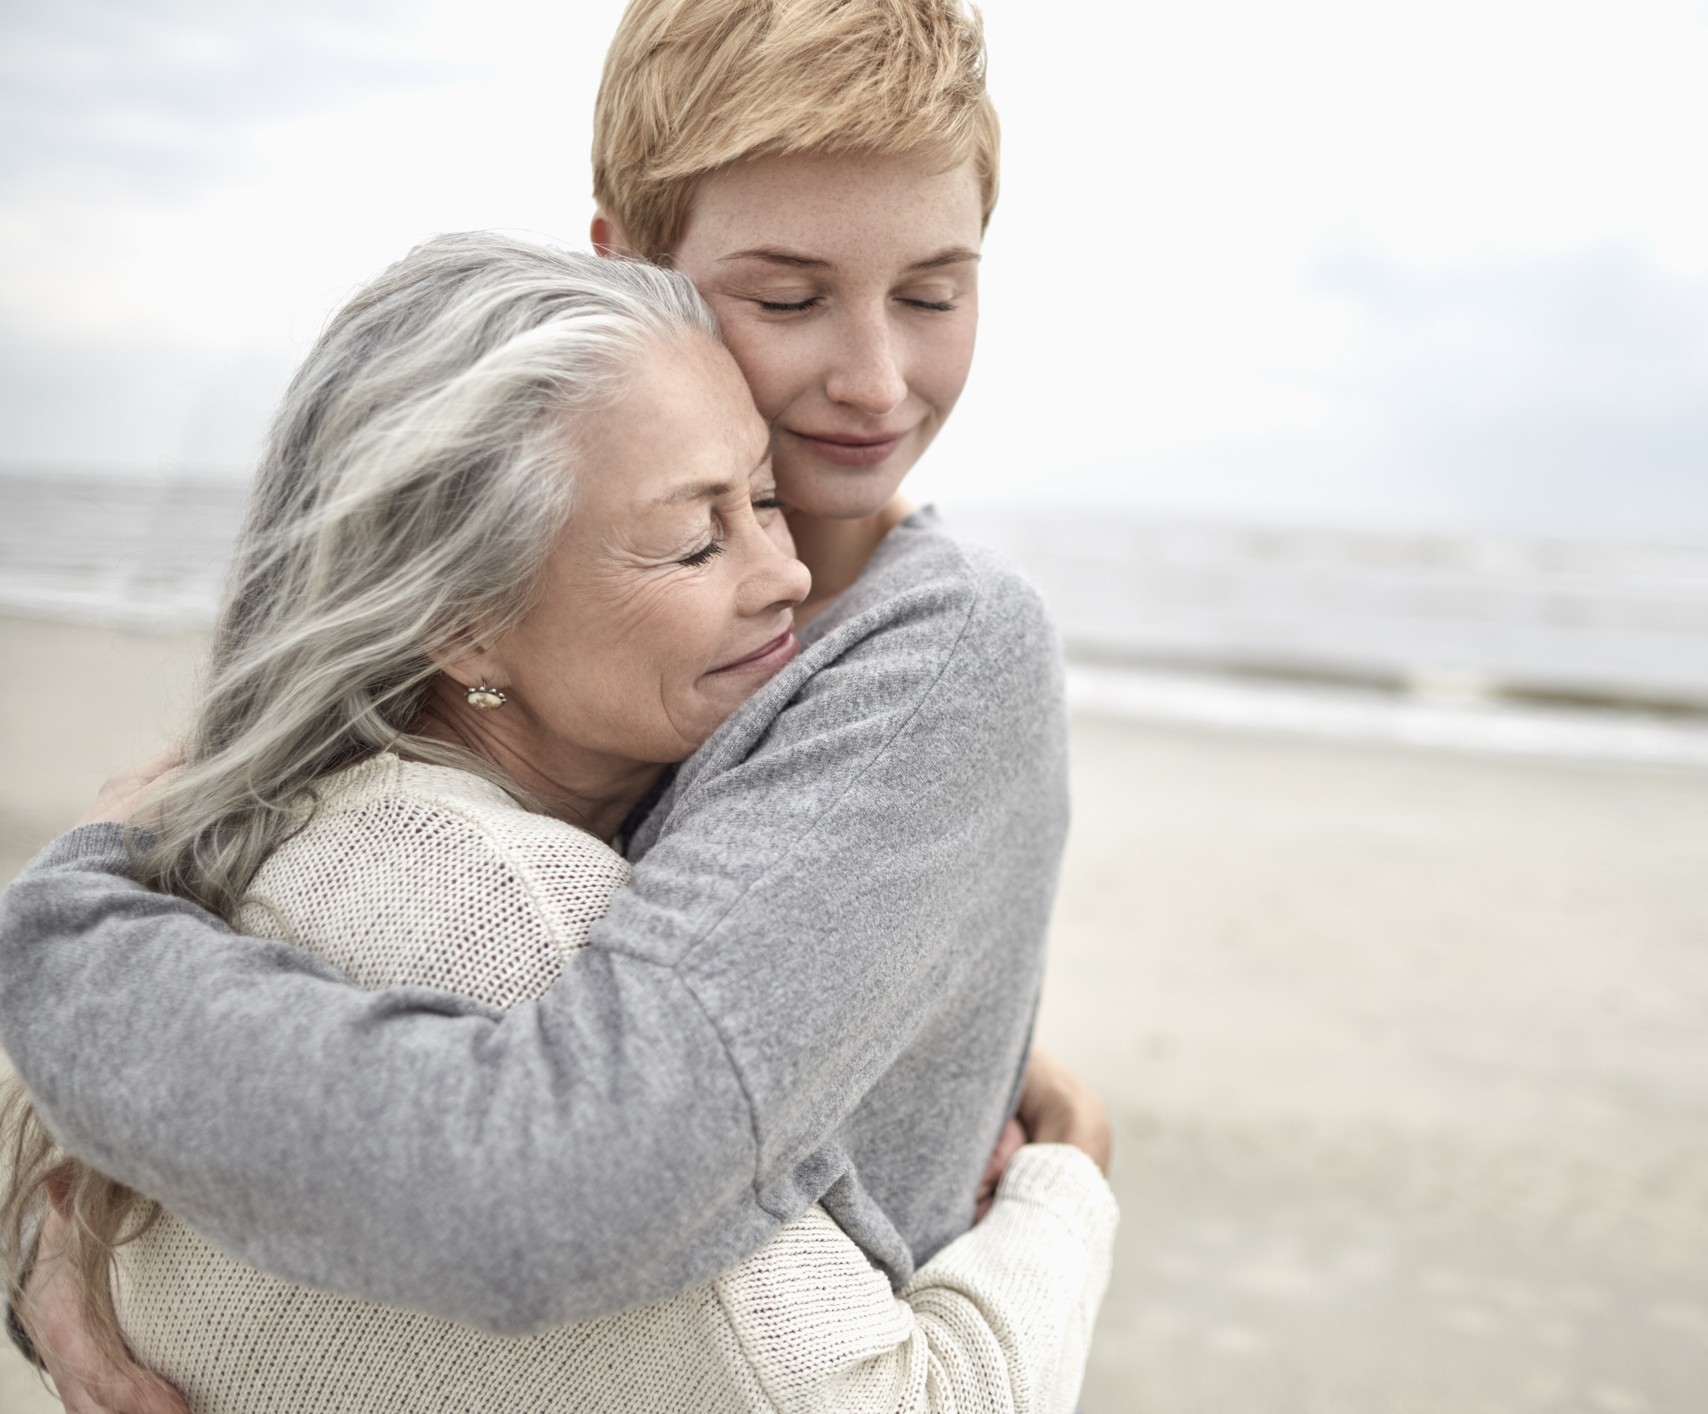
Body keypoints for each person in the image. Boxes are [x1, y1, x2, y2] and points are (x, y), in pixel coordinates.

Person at [2, 0, 1089, 1404]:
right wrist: (37, 1219)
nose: (876, 381)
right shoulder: (491, 580)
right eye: (787, 296)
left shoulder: (930, 652)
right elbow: (227, 861)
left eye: (934, 294)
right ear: (632, 265)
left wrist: (57, 942)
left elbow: (573, 1169)